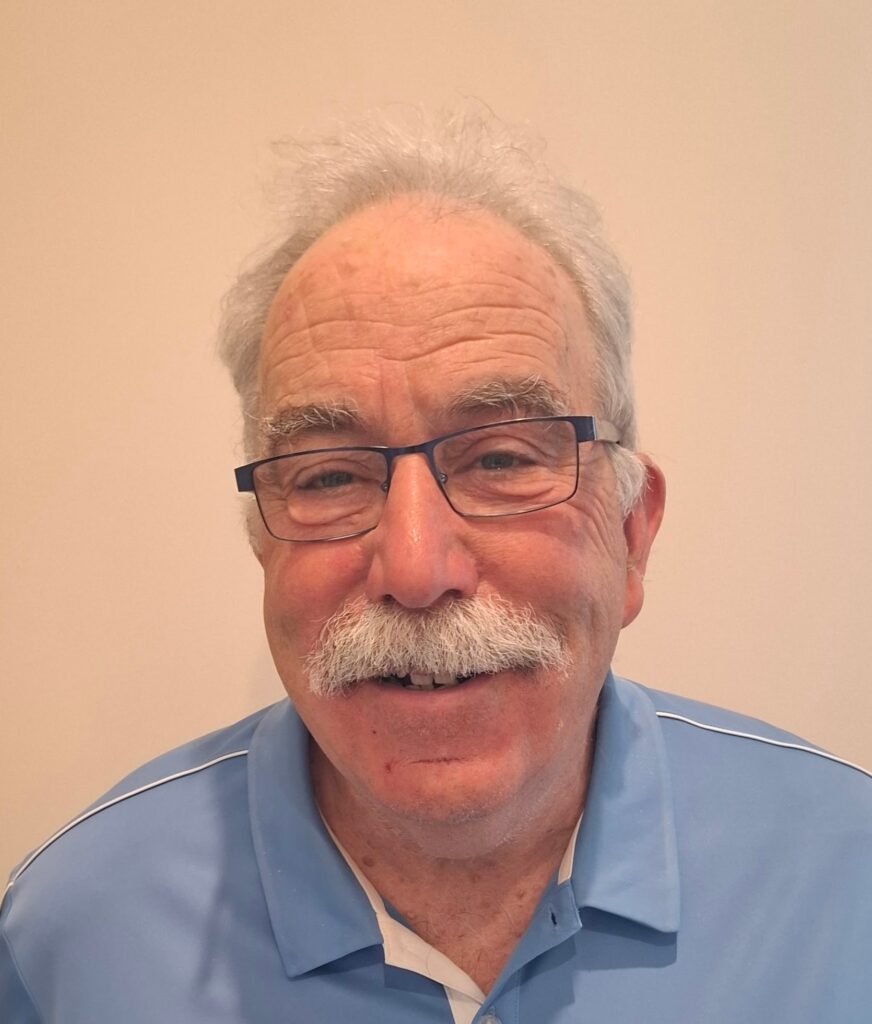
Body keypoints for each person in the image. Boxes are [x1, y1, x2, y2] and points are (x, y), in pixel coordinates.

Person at [2, 108, 870, 1024]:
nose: (416, 570)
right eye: (330, 476)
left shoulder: (844, 882)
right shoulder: (73, 941)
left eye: (500, 459)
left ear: (632, 532)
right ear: (262, 541)